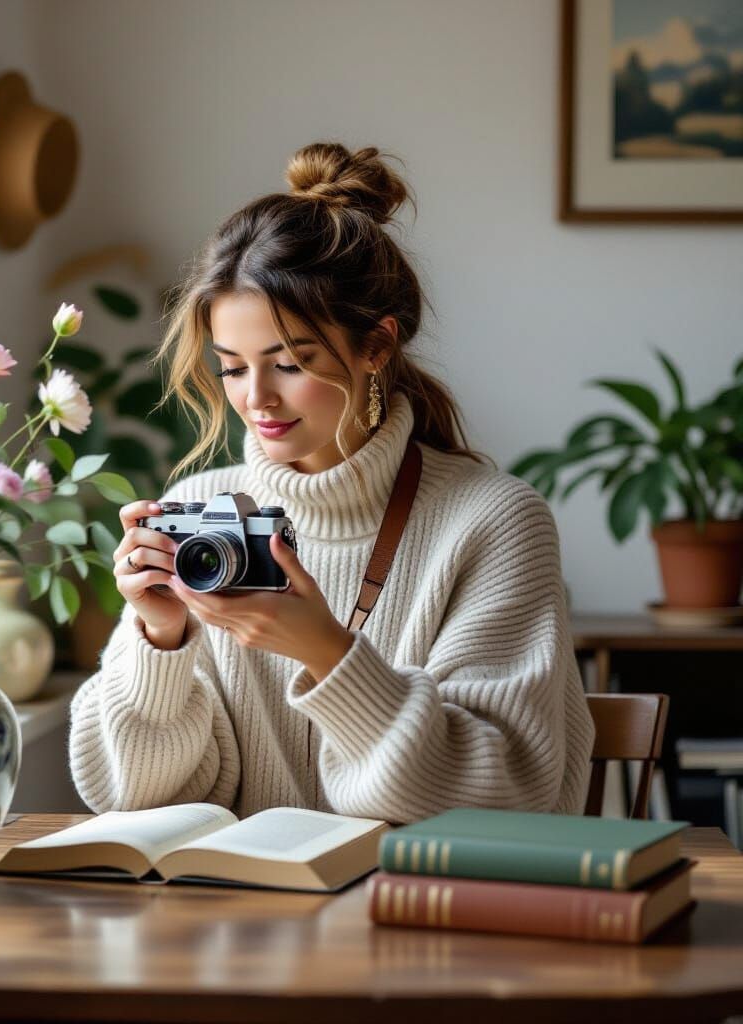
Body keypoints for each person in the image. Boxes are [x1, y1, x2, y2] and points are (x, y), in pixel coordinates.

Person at [69, 142, 595, 823]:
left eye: (289, 363)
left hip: (415, 888)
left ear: (376, 347)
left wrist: (325, 650)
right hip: (232, 893)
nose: (256, 398)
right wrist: (161, 638)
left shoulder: (491, 522)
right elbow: (131, 795)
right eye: (232, 367)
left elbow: (498, 791)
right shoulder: (197, 510)